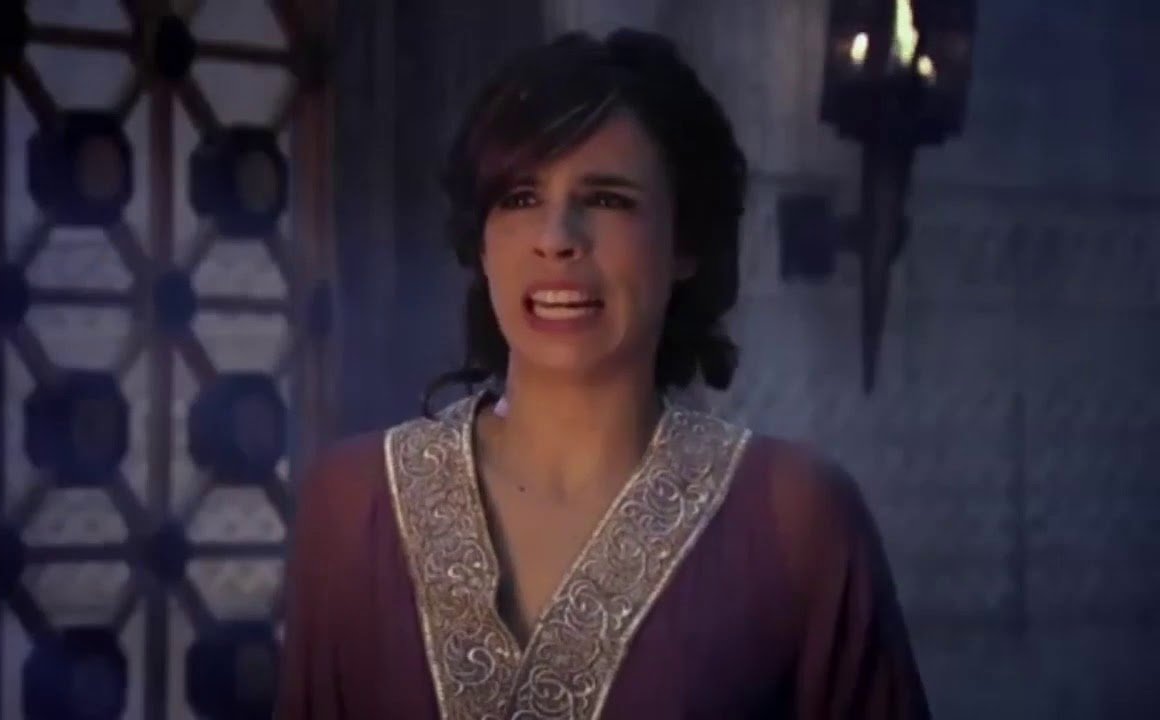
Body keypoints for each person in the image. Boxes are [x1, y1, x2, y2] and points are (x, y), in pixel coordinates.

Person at [276, 28, 930, 720]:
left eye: (607, 199)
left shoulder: (796, 519)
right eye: (520, 198)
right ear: (481, 242)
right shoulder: (352, 507)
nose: (557, 238)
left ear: (685, 243)